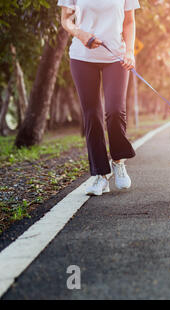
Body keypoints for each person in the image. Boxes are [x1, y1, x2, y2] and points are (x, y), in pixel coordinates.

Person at [58, 0, 140, 196]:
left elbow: (129, 22)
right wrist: (80, 34)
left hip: (116, 58)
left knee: (114, 110)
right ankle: (101, 175)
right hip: (82, 57)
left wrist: (129, 51)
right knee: (92, 115)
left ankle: (118, 161)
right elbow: (66, 20)